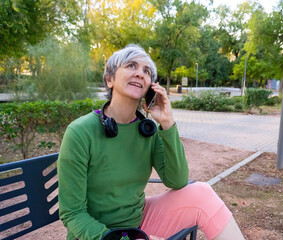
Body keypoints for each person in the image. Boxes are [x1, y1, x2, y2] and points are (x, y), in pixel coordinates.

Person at [58, 44, 245, 240]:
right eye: (131, 66)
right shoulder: (80, 132)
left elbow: (177, 180)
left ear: (150, 88)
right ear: (109, 79)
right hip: (97, 234)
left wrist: (167, 124)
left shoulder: (147, 130)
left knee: (202, 193)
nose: (140, 73)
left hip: (138, 221)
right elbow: (72, 213)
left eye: (146, 71)